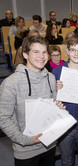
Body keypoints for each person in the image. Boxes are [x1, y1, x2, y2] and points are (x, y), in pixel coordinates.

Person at [0, 35, 64, 166]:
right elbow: (3, 118)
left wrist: (57, 108)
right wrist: (26, 140)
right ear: (25, 54)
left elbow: (51, 109)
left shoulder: (51, 78)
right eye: (36, 52)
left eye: (44, 52)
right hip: (26, 150)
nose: (41, 56)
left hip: (49, 145)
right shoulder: (11, 83)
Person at [52, 35, 78, 166]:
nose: (76, 53)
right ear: (67, 51)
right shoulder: (57, 72)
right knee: (67, 161)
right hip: (65, 124)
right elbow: (50, 100)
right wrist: (55, 91)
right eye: (73, 50)